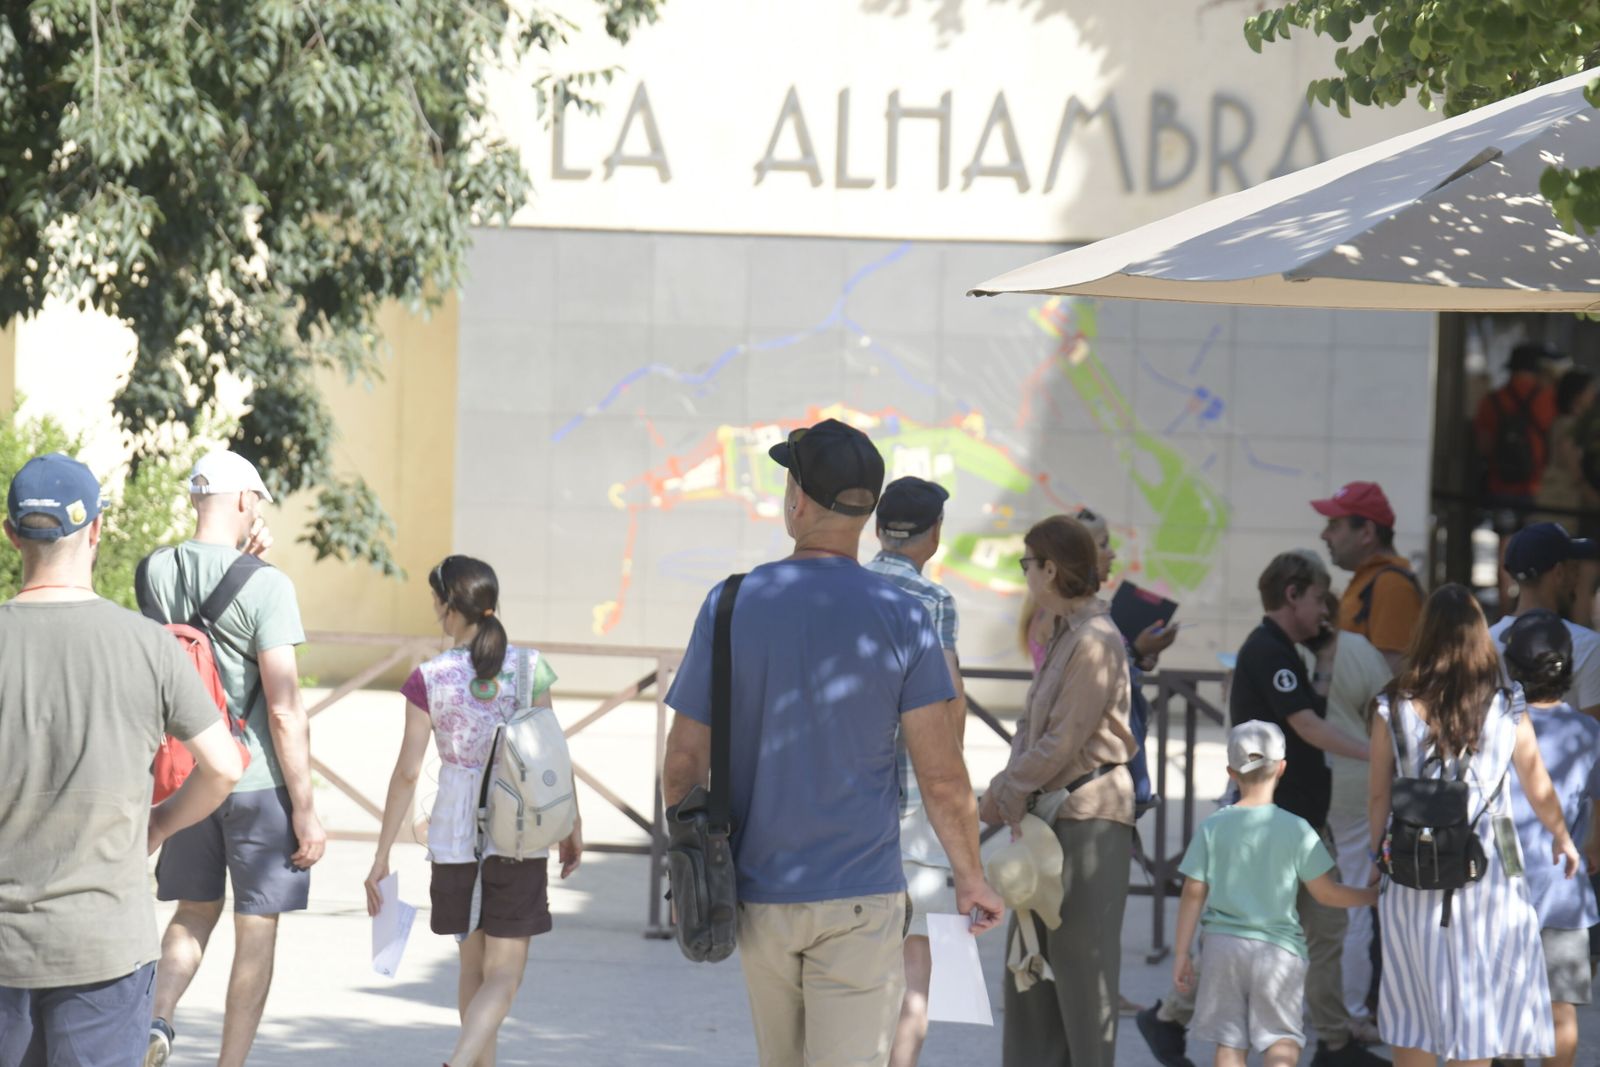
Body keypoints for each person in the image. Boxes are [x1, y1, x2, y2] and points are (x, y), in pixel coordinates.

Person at [661, 418, 1003, 1067]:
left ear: (796, 501)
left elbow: (682, 762)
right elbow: (941, 774)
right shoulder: (904, 616)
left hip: (758, 894)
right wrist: (970, 876)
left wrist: (686, 865)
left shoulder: (730, 603)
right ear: (867, 510)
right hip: (861, 897)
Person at [0, 453, 242, 1067]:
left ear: (10, 535)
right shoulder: (147, 646)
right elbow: (224, 766)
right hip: (106, 946)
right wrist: (159, 823)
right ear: (99, 529)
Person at [1140, 550, 1380, 1067]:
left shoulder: (1287, 653)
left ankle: (1335, 1042)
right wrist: (1378, 753)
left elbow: (1310, 709)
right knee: (1253, 932)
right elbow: (1309, 728)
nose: (1324, 609)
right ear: (1292, 594)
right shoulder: (1268, 650)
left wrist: (1328, 653)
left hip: (1299, 822)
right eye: (1318, 598)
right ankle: (1168, 1018)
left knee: (1323, 928)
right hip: (1274, 823)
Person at [143, 450, 327, 1067]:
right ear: (246, 501)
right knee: (257, 927)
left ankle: (158, 1019)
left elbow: (188, 644)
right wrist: (306, 809)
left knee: (192, 912)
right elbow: (283, 709)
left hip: (186, 778)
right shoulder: (268, 587)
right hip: (254, 783)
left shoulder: (154, 572)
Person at [364, 555, 582, 1067]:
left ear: (446, 607)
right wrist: (571, 824)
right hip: (520, 832)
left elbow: (409, 772)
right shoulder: (530, 667)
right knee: (504, 974)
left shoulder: (429, 677)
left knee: (472, 968)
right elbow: (552, 754)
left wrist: (381, 857)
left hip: (453, 835)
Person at [1369, 583, 1581, 1065]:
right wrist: (1562, 838)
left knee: (1411, 1005)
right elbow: (1537, 783)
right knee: (1478, 1012)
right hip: (1488, 878)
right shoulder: (1506, 705)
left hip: (1411, 873)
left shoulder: (1393, 704)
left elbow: (1379, 792)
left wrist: (1375, 858)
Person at [981, 514, 1138, 1067]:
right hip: (1051, 813)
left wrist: (1005, 792)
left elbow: (1062, 740)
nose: (1025, 574)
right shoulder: (1064, 631)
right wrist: (1009, 789)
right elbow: (1031, 731)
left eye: (1027, 563)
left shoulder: (1094, 639)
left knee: (1081, 971)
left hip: (1089, 813)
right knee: (1030, 968)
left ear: (1050, 568)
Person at [1173, 721, 1381, 1067]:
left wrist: (1182, 952)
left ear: (1230, 772)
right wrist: (1371, 896)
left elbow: (1193, 892)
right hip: (1279, 952)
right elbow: (1327, 894)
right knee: (1282, 1039)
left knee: (1229, 1041)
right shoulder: (1298, 829)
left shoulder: (1213, 827)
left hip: (1222, 947)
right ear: (1282, 768)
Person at [861, 477, 967, 1067]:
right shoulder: (933, 603)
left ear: (877, 530)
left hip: (846, 813)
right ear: (934, 536)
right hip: (913, 818)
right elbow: (949, 711)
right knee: (915, 981)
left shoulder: (845, 591)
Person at [1501, 611, 1600, 1067]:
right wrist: (1593, 846)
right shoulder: (1588, 731)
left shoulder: (1495, 726)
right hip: (1564, 886)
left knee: (1503, 1009)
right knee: (1561, 1011)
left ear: (1512, 666)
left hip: (1500, 889)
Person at [1303, 593, 1392, 1040]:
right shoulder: (1361, 650)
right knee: (1354, 898)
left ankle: (1302, 1002)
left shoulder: (1283, 647)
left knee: (1295, 901)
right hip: (1357, 784)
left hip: (1298, 785)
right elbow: (1382, 712)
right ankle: (1352, 1010)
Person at [1487, 522, 1600, 717]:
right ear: (1559, 573)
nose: (1577, 576)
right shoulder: (1590, 646)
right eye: (1574, 567)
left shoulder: (1485, 642)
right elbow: (1594, 735)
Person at [1312, 481, 1423, 673]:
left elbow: (1390, 678)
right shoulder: (1370, 580)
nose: (1324, 535)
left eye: (1334, 525)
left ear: (1367, 533)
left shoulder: (1392, 586)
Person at [1475, 341, 1563, 524]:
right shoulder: (1549, 398)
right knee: (1532, 540)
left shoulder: (1491, 401)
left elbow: (1484, 445)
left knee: (1505, 539)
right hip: (1536, 484)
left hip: (1500, 482)